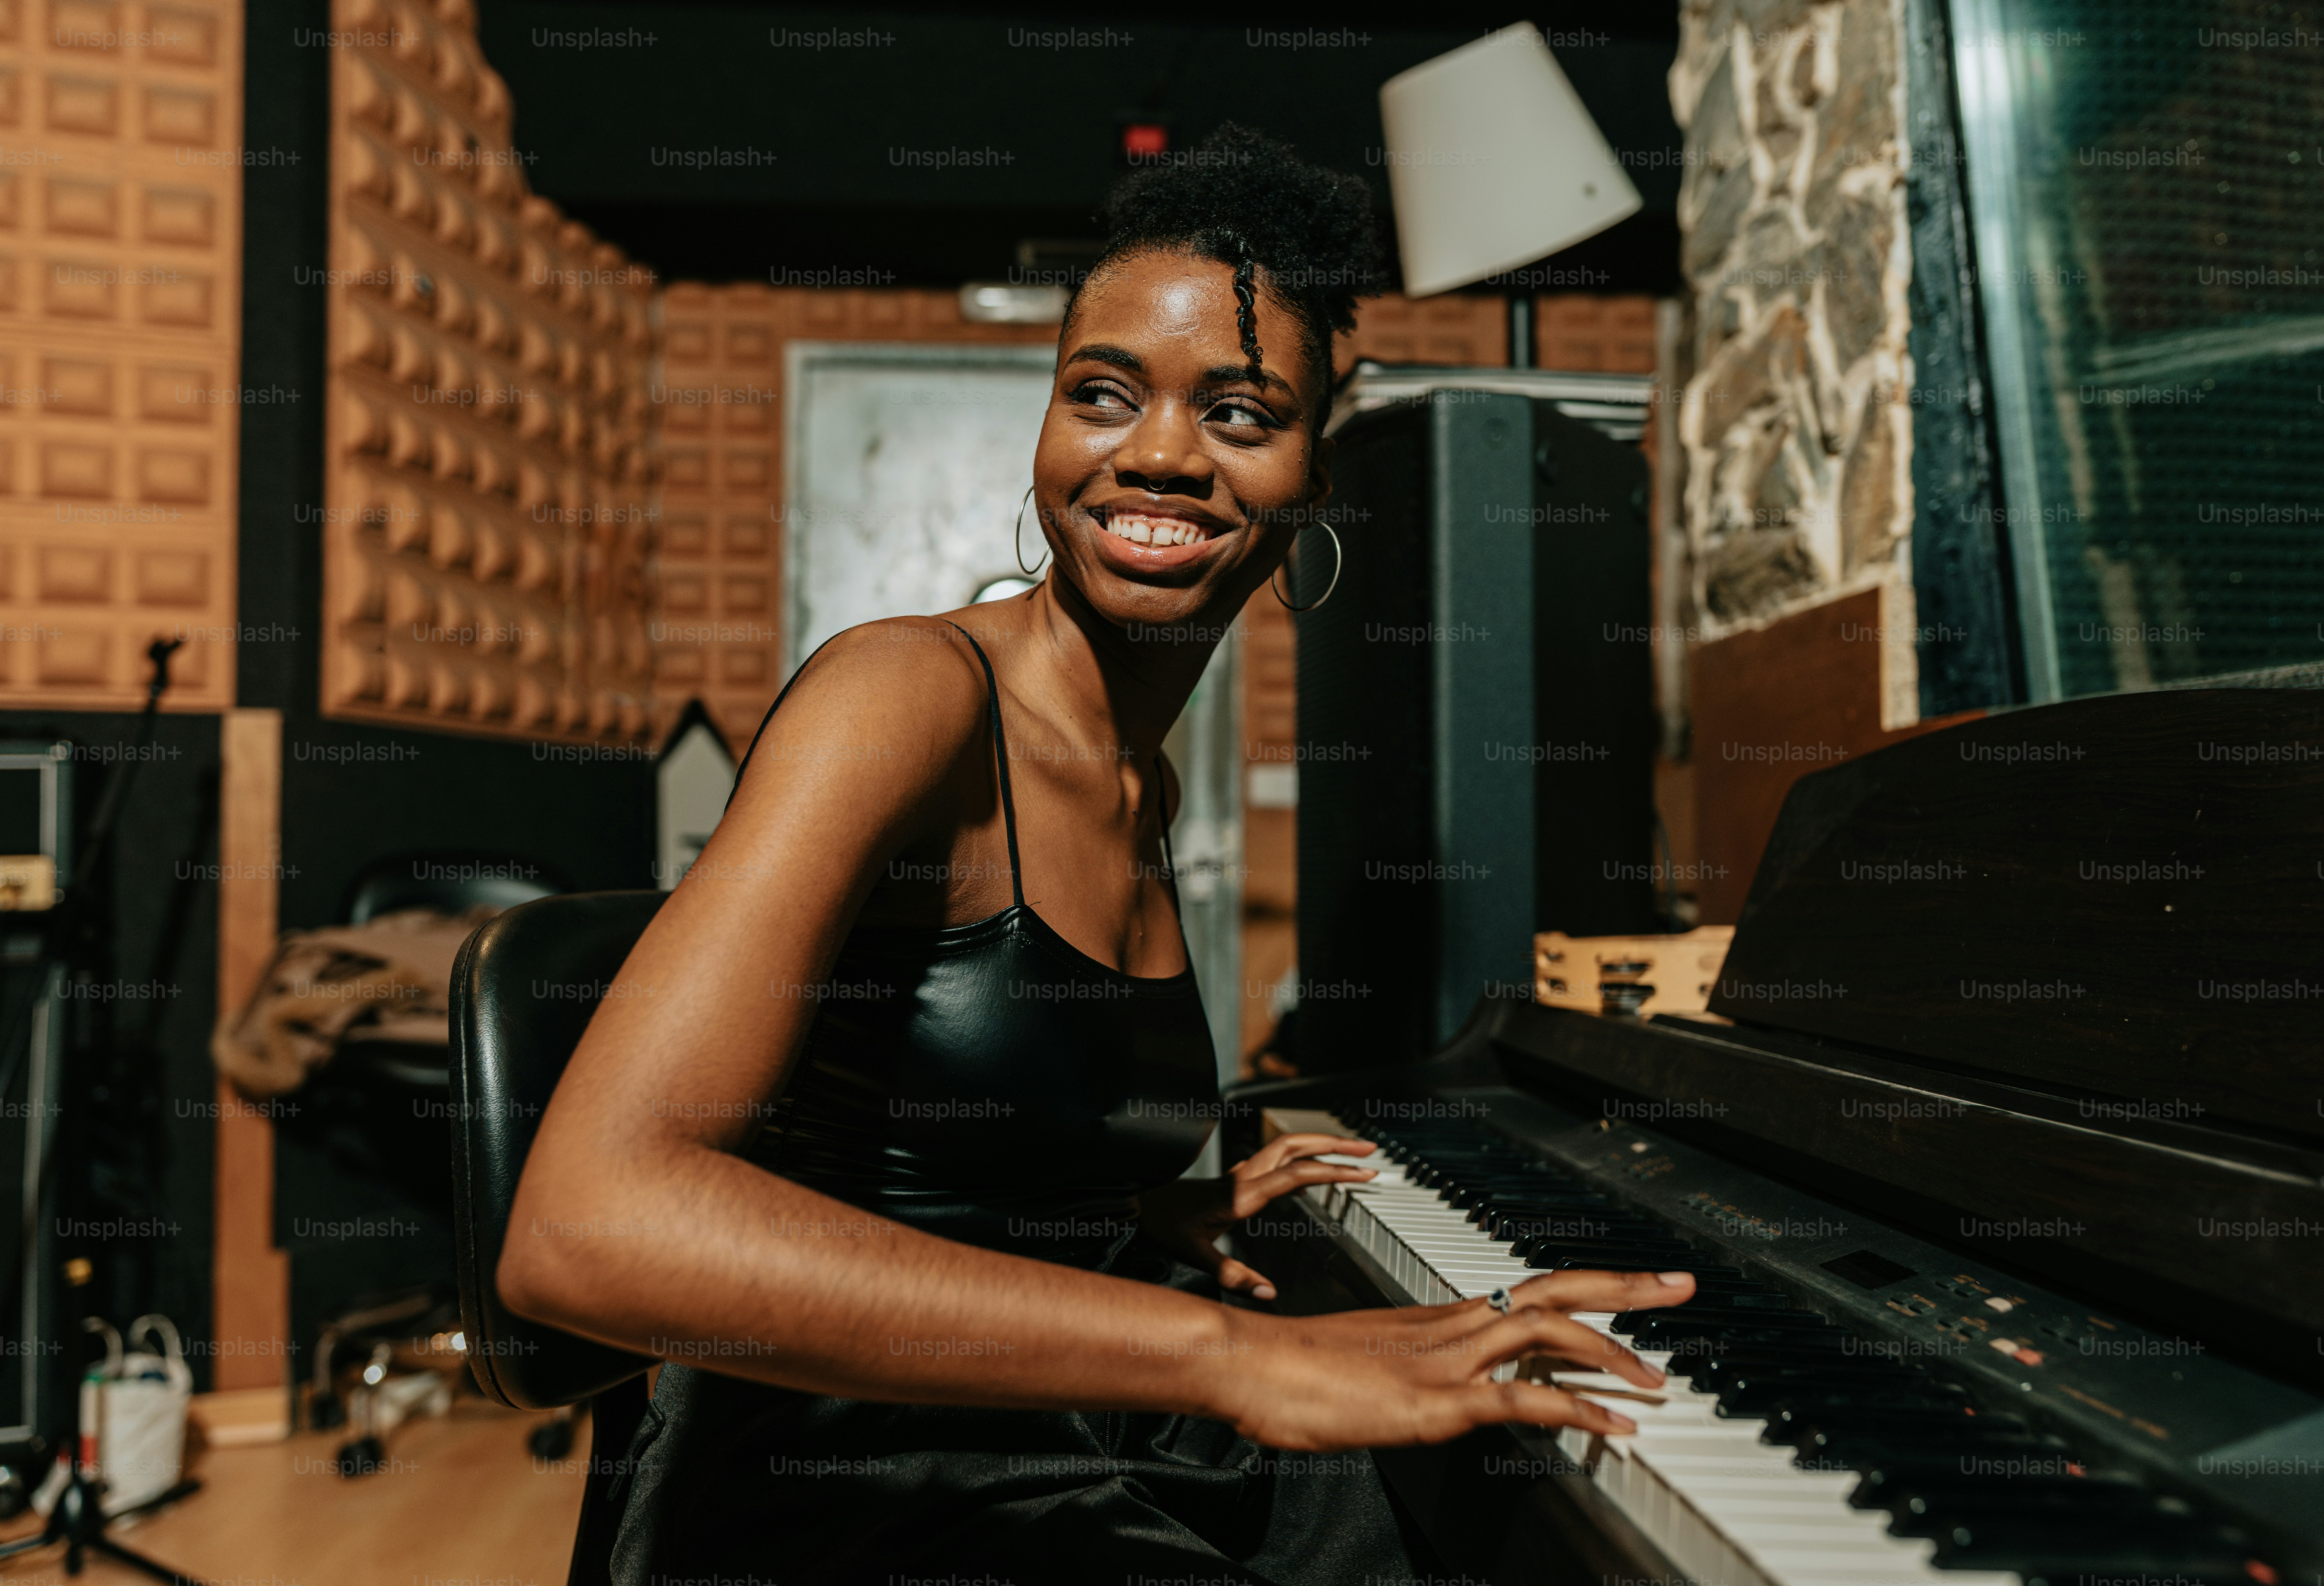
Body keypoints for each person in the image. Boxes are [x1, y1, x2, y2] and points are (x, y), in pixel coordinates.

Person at [502, 124, 1696, 1585]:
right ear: (1049, 426)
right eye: (1104, 394)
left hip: (1056, 1418)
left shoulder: (1142, 775)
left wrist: (1137, 1213)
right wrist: (1227, 1355)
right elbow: (584, 1228)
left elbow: (930, 1132)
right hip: (844, 1475)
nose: (1160, 454)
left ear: (1314, 477)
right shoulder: (906, 696)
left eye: (1241, 413)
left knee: (1499, 1508)